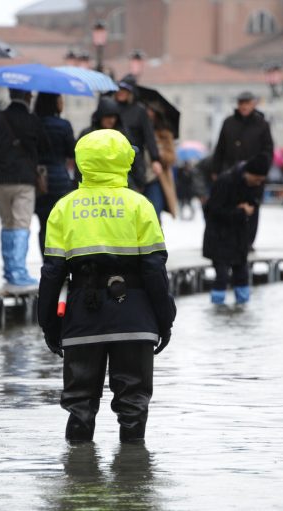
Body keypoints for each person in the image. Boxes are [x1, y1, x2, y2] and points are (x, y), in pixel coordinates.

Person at [38, 129, 176, 443]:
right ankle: (133, 479)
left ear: (82, 163)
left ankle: (79, 480)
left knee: (80, 405)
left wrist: (48, 324)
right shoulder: (140, 206)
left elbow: (52, 274)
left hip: (82, 319)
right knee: (133, 404)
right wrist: (164, 319)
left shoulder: (64, 208)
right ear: (124, 161)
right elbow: (155, 270)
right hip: (135, 318)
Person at [0, 88, 50, 287]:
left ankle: (8, 269)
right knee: (21, 225)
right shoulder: (32, 120)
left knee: (6, 224)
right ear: (27, 96)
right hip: (24, 179)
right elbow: (45, 146)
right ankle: (18, 271)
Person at [203, 154, 269, 306]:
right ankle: (217, 308)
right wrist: (240, 211)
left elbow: (253, 208)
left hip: (239, 240)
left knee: (242, 276)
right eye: (257, 179)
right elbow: (212, 210)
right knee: (222, 277)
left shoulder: (254, 186)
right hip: (219, 239)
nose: (258, 183)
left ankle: (242, 309)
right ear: (250, 173)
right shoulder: (225, 181)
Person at [211, 91, 273, 248]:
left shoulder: (262, 125)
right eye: (241, 103)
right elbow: (220, 148)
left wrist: (262, 171)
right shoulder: (229, 123)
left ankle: (248, 242)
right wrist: (216, 170)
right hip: (231, 175)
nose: (244, 106)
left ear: (253, 104)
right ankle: (232, 240)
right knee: (232, 208)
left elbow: (268, 151)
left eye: (247, 103)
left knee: (252, 210)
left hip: (254, 176)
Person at [34, 92, 76, 256]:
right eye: (60, 100)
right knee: (61, 224)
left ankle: (47, 262)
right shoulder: (63, 125)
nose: (62, 103)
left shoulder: (34, 124)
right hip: (60, 179)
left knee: (44, 224)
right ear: (55, 103)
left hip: (39, 181)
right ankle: (61, 262)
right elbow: (72, 151)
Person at [114, 76, 162, 192]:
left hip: (135, 158)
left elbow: (149, 136)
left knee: (136, 190)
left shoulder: (140, 111)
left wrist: (155, 159)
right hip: (115, 157)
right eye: (119, 89)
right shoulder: (112, 108)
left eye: (124, 90)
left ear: (131, 92)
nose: (120, 93)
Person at [145, 102, 177, 218]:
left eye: (151, 111)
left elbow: (172, 158)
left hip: (157, 177)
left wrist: (160, 154)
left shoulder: (165, 134)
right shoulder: (137, 131)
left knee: (154, 214)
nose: (149, 114)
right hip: (138, 175)